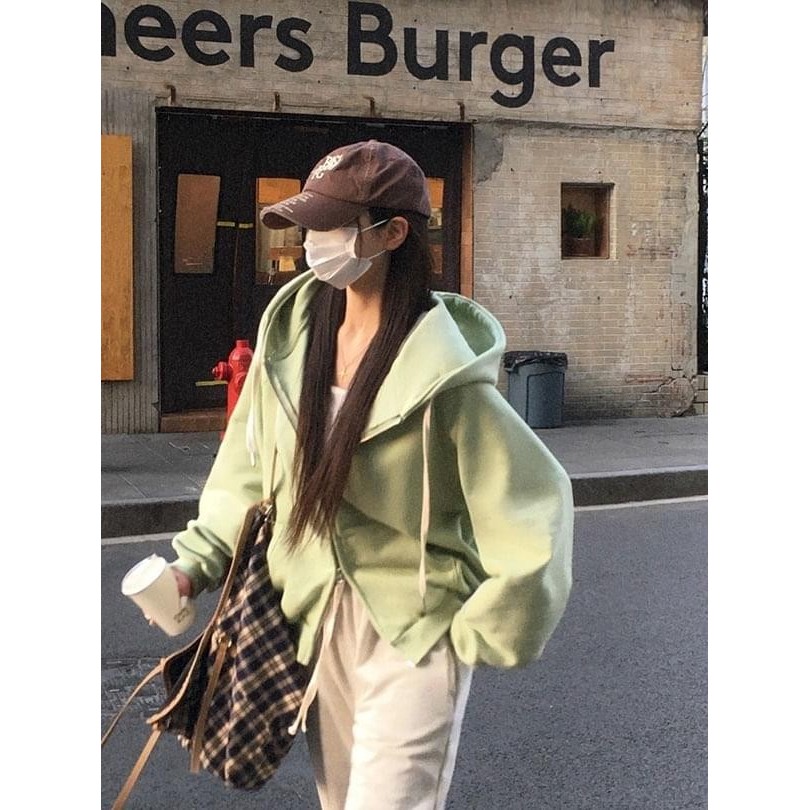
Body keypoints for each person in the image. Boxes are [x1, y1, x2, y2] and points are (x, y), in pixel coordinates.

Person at [167, 139, 574, 810]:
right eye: (309, 224)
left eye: (332, 225)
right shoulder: (292, 342)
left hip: (413, 629)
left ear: (392, 233)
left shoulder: (442, 372)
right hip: (312, 616)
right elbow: (247, 473)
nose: (312, 241)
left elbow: (534, 500)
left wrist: (481, 629)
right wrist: (194, 564)